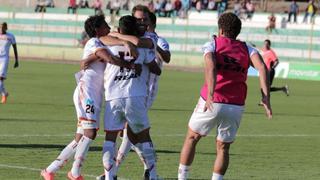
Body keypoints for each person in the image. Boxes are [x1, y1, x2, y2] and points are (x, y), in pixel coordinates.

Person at [178, 12, 272, 180]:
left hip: (214, 100)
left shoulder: (212, 44)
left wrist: (211, 93)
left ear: (220, 29)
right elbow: (263, 68)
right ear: (237, 31)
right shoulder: (247, 48)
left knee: (192, 138)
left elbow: (211, 66)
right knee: (223, 148)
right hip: (235, 105)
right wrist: (266, 97)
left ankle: (182, 177)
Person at [40, 14, 135, 180]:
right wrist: (129, 65)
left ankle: (50, 170)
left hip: (93, 93)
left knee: (80, 137)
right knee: (90, 133)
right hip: (87, 93)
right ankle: (75, 172)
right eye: (106, 25)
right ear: (98, 29)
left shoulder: (99, 43)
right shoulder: (94, 42)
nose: (108, 28)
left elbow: (100, 54)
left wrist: (91, 58)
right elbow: (109, 58)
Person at [97, 15, 161, 180]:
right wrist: (142, 62)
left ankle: (110, 176)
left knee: (110, 138)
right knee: (144, 136)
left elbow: (102, 38)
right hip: (135, 96)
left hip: (113, 97)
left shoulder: (108, 45)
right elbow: (156, 69)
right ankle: (152, 175)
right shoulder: (143, 47)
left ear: (119, 31)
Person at [111, 11, 171, 180]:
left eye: (144, 19)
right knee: (129, 133)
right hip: (132, 90)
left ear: (152, 23)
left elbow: (166, 58)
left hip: (145, 91)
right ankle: (147, 168)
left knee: (132, 132)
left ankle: (146, 169)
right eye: (138, 19)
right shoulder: (134, 37)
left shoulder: (155, 39)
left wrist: (154, 46)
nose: (141, 22)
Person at [0, 22, 18, 104]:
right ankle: (5, 94)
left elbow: (15, 48)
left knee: (1, 78)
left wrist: (16, 60)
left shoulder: (10, 36)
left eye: (2, 28)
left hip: (4, 59)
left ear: (6, 28)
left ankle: (3, 95)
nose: (1, 29)